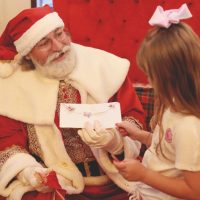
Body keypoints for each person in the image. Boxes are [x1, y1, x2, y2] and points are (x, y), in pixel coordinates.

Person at [0, 5, 145, 200]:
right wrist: (30, 173)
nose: (59, 46)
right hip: (56, 187)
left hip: (116, 180)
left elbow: (134, 118)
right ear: (28, 55)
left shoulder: (105, 66)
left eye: (59, 34)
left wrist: (116, 141)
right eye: (44, 43)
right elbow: (8, 143)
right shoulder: (13, 87)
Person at [113, 3, 200, 200]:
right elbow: (169, 148)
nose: (149, 81)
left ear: (170, 77)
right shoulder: (174, 104)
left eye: (151, 75)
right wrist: (141, 136)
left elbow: (195, 192)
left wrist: (144, 175)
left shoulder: (189, 126)